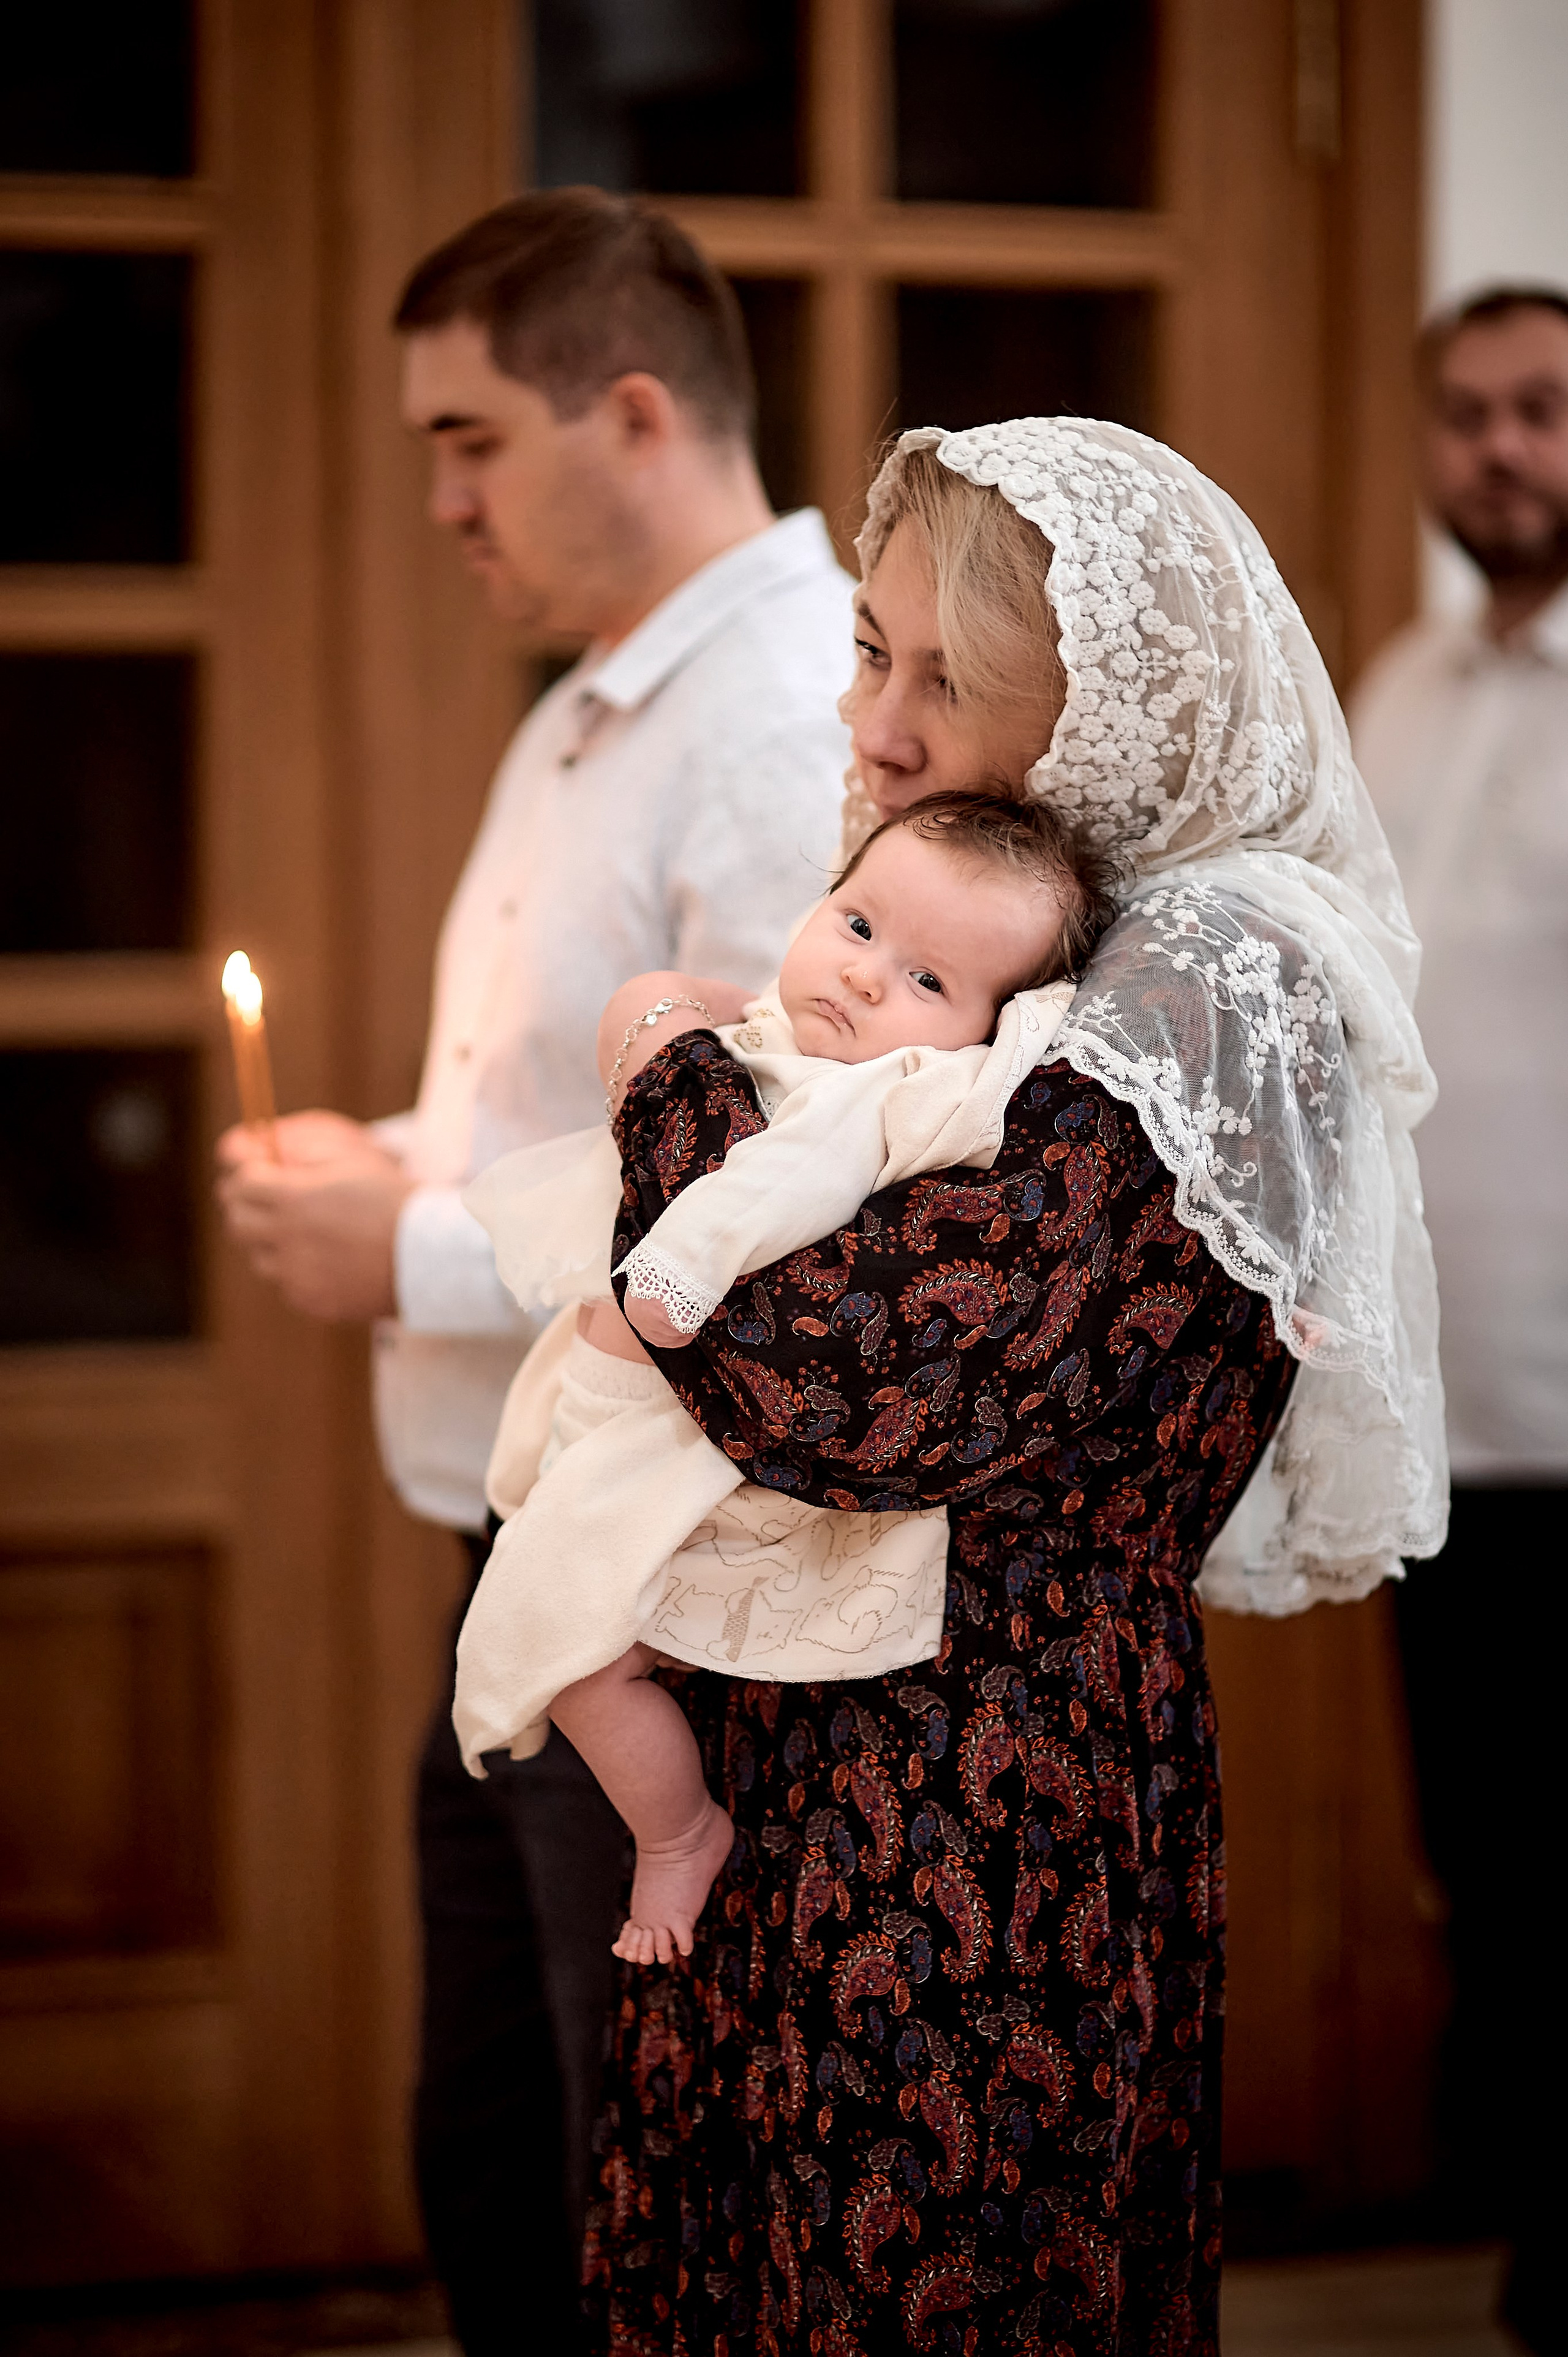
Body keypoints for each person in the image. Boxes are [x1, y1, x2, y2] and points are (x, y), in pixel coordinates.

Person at [581, 418, 1446, 2351]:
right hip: (805, 1733)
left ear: (1106, 723)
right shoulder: (1035, 925)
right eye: (871, 654)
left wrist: (667, 1077)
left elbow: (860, 1377)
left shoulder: (1223, 973)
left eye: (943, 680)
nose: (876, 725)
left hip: (982, 1784)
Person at [213, 189, 851, 2352]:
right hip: (528, 1535)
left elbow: (761, 1197)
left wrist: (391, 1240)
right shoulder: (589, 702)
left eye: (471, 437)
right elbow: (550, 1125)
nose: (440, 498)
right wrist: (387, 1155)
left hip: (675, 1588)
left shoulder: (781, 715)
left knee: (626, 2157)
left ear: (640, 413)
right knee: (494, 2130)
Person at [449, 793, 1118, 1971]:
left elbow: (769, 1194)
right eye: (858, 926)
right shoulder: (792, 1036)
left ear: (985, 1033)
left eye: (928, 982)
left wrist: (671, 1272)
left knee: (566, 1650)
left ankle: (679, 1835)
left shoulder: (872, 1101)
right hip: (632, 1421)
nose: (866, 981)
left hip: (683, 1440)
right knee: (572, 1630)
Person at [1349, 284, 1568, 2350]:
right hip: (1442, 1404)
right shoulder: (1401, 685)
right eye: (1471, 413)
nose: (1502, 447)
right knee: (1495, 1873)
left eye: (1545, 410)